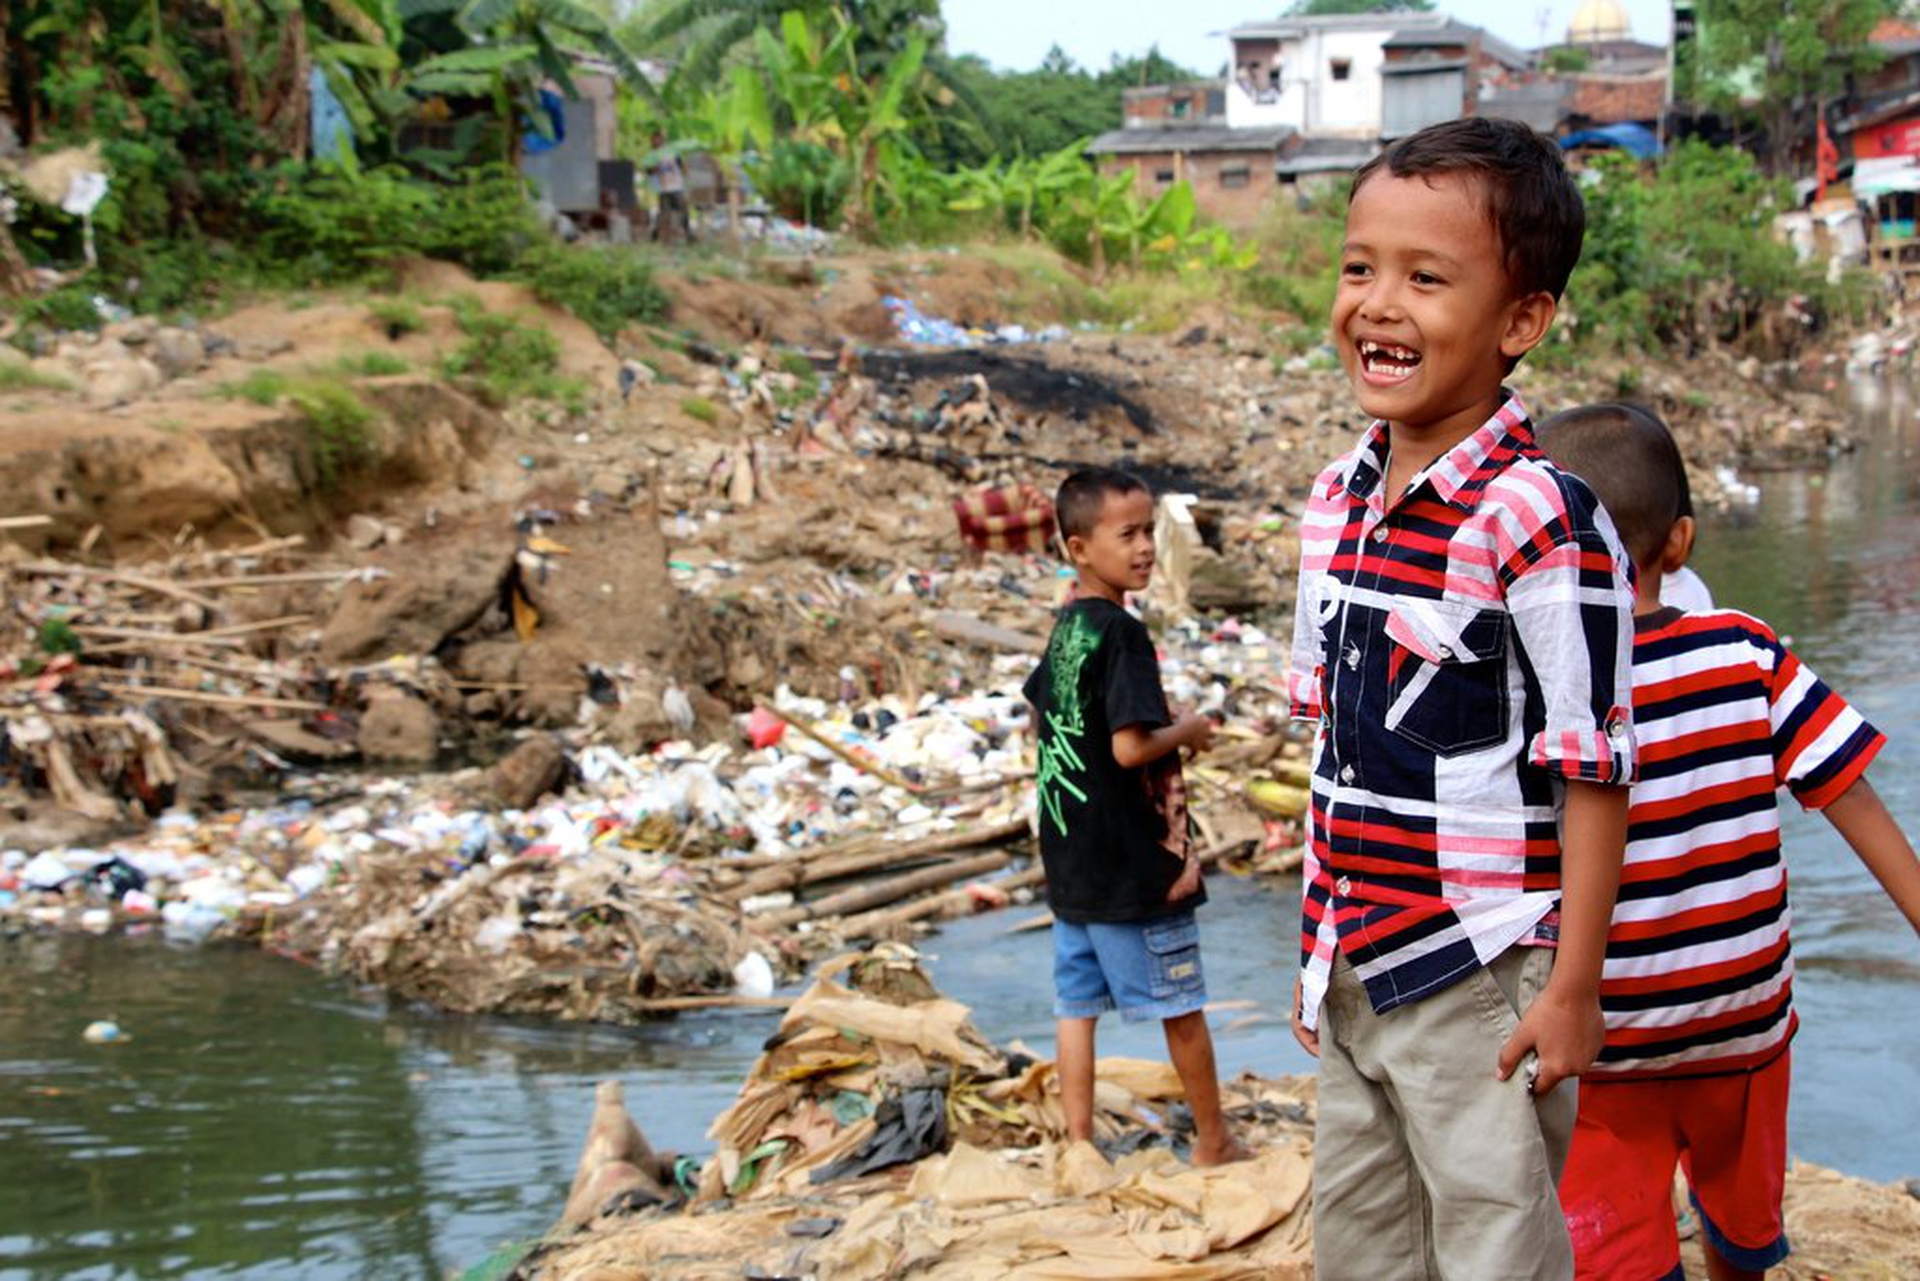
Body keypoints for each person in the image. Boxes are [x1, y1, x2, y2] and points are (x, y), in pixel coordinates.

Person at [1284, 117, 1638, 1280]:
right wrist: (1313, 946)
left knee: (1494, 1243)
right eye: (1359, 268)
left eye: (1426, 279)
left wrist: (1573, 988)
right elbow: (1333, 747)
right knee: (1365, 1240)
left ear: (1521, 321)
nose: (1379, 304)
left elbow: (1594, 761)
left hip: (1481, 969)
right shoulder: (1335, 501)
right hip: (1354, 964)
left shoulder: (1538, 517)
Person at [1536, 403, 1920, 1281]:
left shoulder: (1542, 692)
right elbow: (1852, 797)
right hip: (1744, 1028)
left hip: (1601, 1037)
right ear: (1679, 543)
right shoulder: (1747, 651)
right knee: (1740, 1222)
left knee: (1613, 1244)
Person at [1023, 466, 1247, 1167]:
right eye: (1129, 534)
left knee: (1076, 1004)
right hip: (1134, 866)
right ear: (1079, 548)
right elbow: (1127, 748)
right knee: (1181, 1005)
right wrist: (1190, 729)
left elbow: (1041, 710)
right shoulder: (1121, 633)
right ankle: (1215, 1142)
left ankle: (1079, 1142)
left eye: (1149, 530)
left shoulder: (1068, 627)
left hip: (1072, 860)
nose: (1146, 546)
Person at [648, 130, 689, 244]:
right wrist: (654, 170)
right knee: (663, 213)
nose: (656, 141)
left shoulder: (673, 153)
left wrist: (683, 179)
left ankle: (687, 233)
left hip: (676, 187)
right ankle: (656, 235)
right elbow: (649, 172)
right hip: (663, 189)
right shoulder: (652, 155)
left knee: (683, 211)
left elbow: (683, 168)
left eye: (658, 139)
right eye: (654, 140)